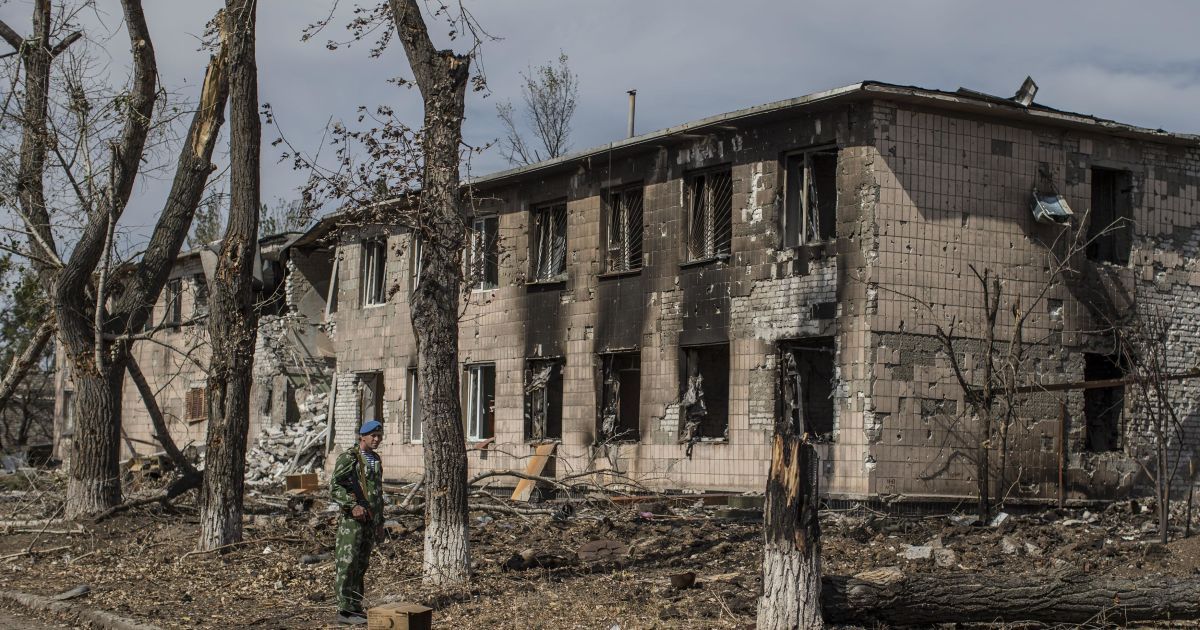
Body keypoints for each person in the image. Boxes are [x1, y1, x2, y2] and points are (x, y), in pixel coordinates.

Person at [331, 420, 385, 625]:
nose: (377, 439)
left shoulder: (375, 459)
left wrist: (380, 522)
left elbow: (378, 494)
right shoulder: (349, 458)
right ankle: (344, 611)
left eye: (379, 435)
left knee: (361, 564)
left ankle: (355, 606)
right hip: (352, 522)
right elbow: (335, 487)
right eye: (373, 435)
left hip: (370, 520)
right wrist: (352, 505)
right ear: (362, 436)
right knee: (347, 564)